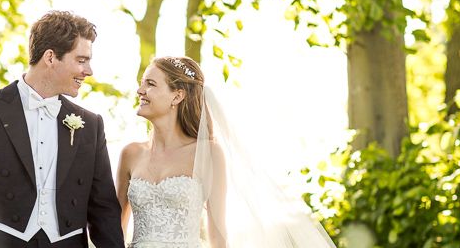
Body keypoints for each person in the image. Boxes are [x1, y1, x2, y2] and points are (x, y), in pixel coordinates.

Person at [117, 56, 337, 248]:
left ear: (177, 96)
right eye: (142, 83)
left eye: (151, 84)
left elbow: (217, 235)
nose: (140, 90)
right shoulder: (131, 154)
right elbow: (113, 228)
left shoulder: (209, 153)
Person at [0, 10, 124, 248]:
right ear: (50, 57)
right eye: (81, 60)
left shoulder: (90, 125)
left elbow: (104, 210)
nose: (88, 71)